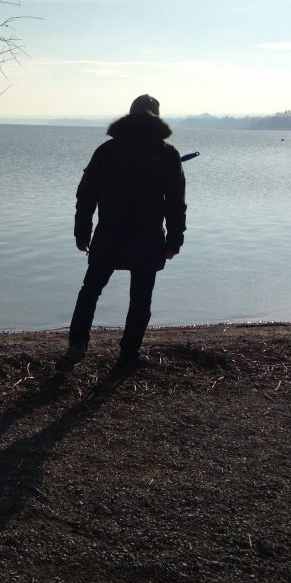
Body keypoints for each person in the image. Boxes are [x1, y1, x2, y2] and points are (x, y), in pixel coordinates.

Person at [56, 94, 187, 373]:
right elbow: (176, 203)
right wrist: (175, 240)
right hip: (148, 238)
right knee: (141, 298)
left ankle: (78, 344)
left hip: (109, 235)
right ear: (158, 118)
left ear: (129, 116)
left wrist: (82, 231)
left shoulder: (107, 150)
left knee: (90, 291)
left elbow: (86, 194)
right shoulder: (167, 153)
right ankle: (128, 354)